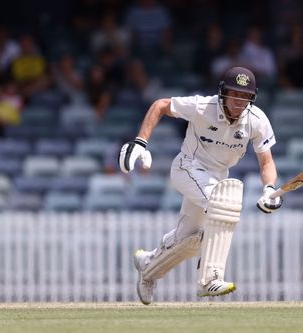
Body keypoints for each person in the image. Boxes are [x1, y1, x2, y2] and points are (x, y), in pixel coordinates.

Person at [119, 67, 283, 305]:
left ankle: (148, 267)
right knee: (223, 205)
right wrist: (140, 142)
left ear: (252, 97)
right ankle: (209, 280)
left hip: (216, 178)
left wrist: (269, 188)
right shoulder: (203, 107)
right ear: (223, 93)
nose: (239, 101)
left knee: (189, 241)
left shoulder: (257, 120)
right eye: (234, 94)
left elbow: (266, 161)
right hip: (188, 167)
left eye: (244, 96)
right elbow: (160, 105)